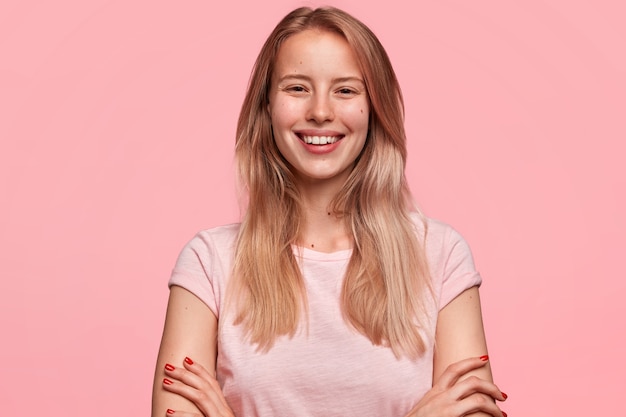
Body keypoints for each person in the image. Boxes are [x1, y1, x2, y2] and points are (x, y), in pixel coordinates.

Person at [152, 6, 507, 417]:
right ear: (266, 106)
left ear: (374, 110)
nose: (320, 111)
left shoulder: (441, 255)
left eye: (345, 90)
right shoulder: (208, 263)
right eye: (297, 88)